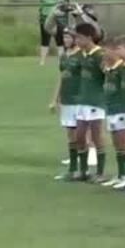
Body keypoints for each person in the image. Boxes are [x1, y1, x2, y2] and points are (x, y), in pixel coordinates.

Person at [71, 23, 108, 182]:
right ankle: (83, 170)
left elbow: (108, 74)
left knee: (96, 136)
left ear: (89, 37)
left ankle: (100, 172)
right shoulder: (83, 54)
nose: (76, 41)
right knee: (79, 136)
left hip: (95, 101)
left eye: (79, 38)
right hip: (82, 100)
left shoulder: (100, 55)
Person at [101, 40, 125, 189]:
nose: (115, 52)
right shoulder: (117, 68)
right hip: (112, 109)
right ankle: (121, 173)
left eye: (118, 49)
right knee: (117, 144)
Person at [49, 30, 83, 180]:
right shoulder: (64, 56)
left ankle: (82, 169)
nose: (65, 39)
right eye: (64, 37)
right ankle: (73, 168)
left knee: (79, 135)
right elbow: (61, 78)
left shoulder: (81, 56)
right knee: (70, 134)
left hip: (79, 100)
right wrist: (54, 99)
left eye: (69, 37)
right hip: (66, 100)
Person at [33, 0, 72, 66]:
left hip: (59, 18)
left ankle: (61, 61)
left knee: (60, 40)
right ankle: (42, 62)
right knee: (45, 39)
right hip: (45, 17)